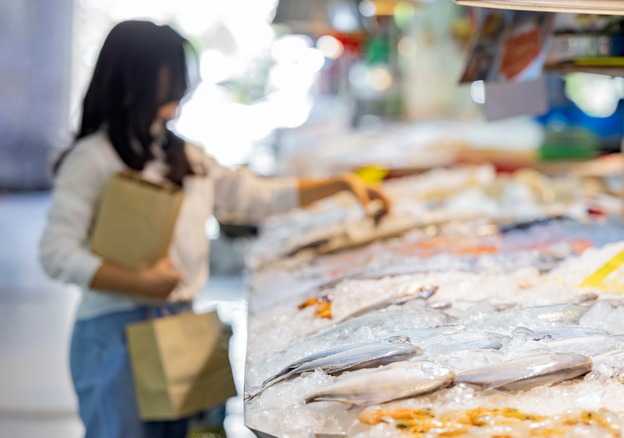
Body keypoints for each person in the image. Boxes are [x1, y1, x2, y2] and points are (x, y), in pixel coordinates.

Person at [39, 20, 391, 438]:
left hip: (180, 323)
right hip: (114, 334)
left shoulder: (180, 153)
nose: (181, 85)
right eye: (169, 72)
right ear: (135, 76)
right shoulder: (91, 159)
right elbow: (56, 253)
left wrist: (341, 185)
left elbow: (253, 197)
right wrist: (138, 281)